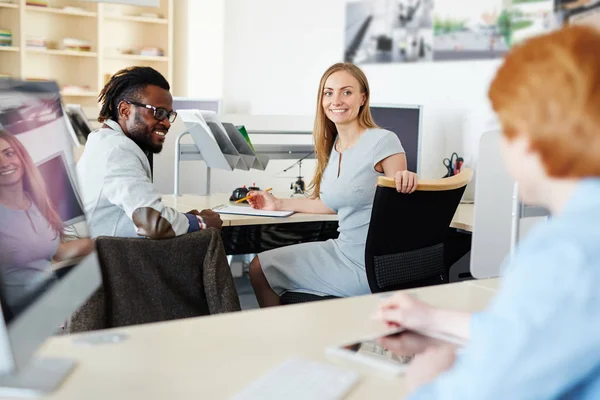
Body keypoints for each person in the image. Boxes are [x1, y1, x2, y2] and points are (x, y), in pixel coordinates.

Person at [373, 25, 600, 399]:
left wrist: (427, 375)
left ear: (531, 137)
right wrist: (433, 319)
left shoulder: (566, 254)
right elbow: (548, 329)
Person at [248, 62, 419, 307]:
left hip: (369, 264)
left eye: (346, 92)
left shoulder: (383, 141)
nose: (335, 100)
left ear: (363, 98)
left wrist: (409, 181)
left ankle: (291, 339)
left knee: (261, 271)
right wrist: (277, 203)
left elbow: (401, 203)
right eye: (328, 93)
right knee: (260, 267)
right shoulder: (335, 146)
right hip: (341, 249)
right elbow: (329, 204)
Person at [76, 66, 222, 239]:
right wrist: (200, 222)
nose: (167, 123)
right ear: (125, 110)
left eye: (169, 115)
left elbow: (145, 217)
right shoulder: (118, 150)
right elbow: (153, 223)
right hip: (111, 261)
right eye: (158, 113)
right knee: (211, 241)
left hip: (111, 254)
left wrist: (184, 220)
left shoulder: (105, 142)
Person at [0, 130, 93, 310]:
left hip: (55, 299)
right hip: (27, 312)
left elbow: (58, 251)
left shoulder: (34, 201)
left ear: (21, 157)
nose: (3, 163)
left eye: (9, 153)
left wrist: (103, 242)